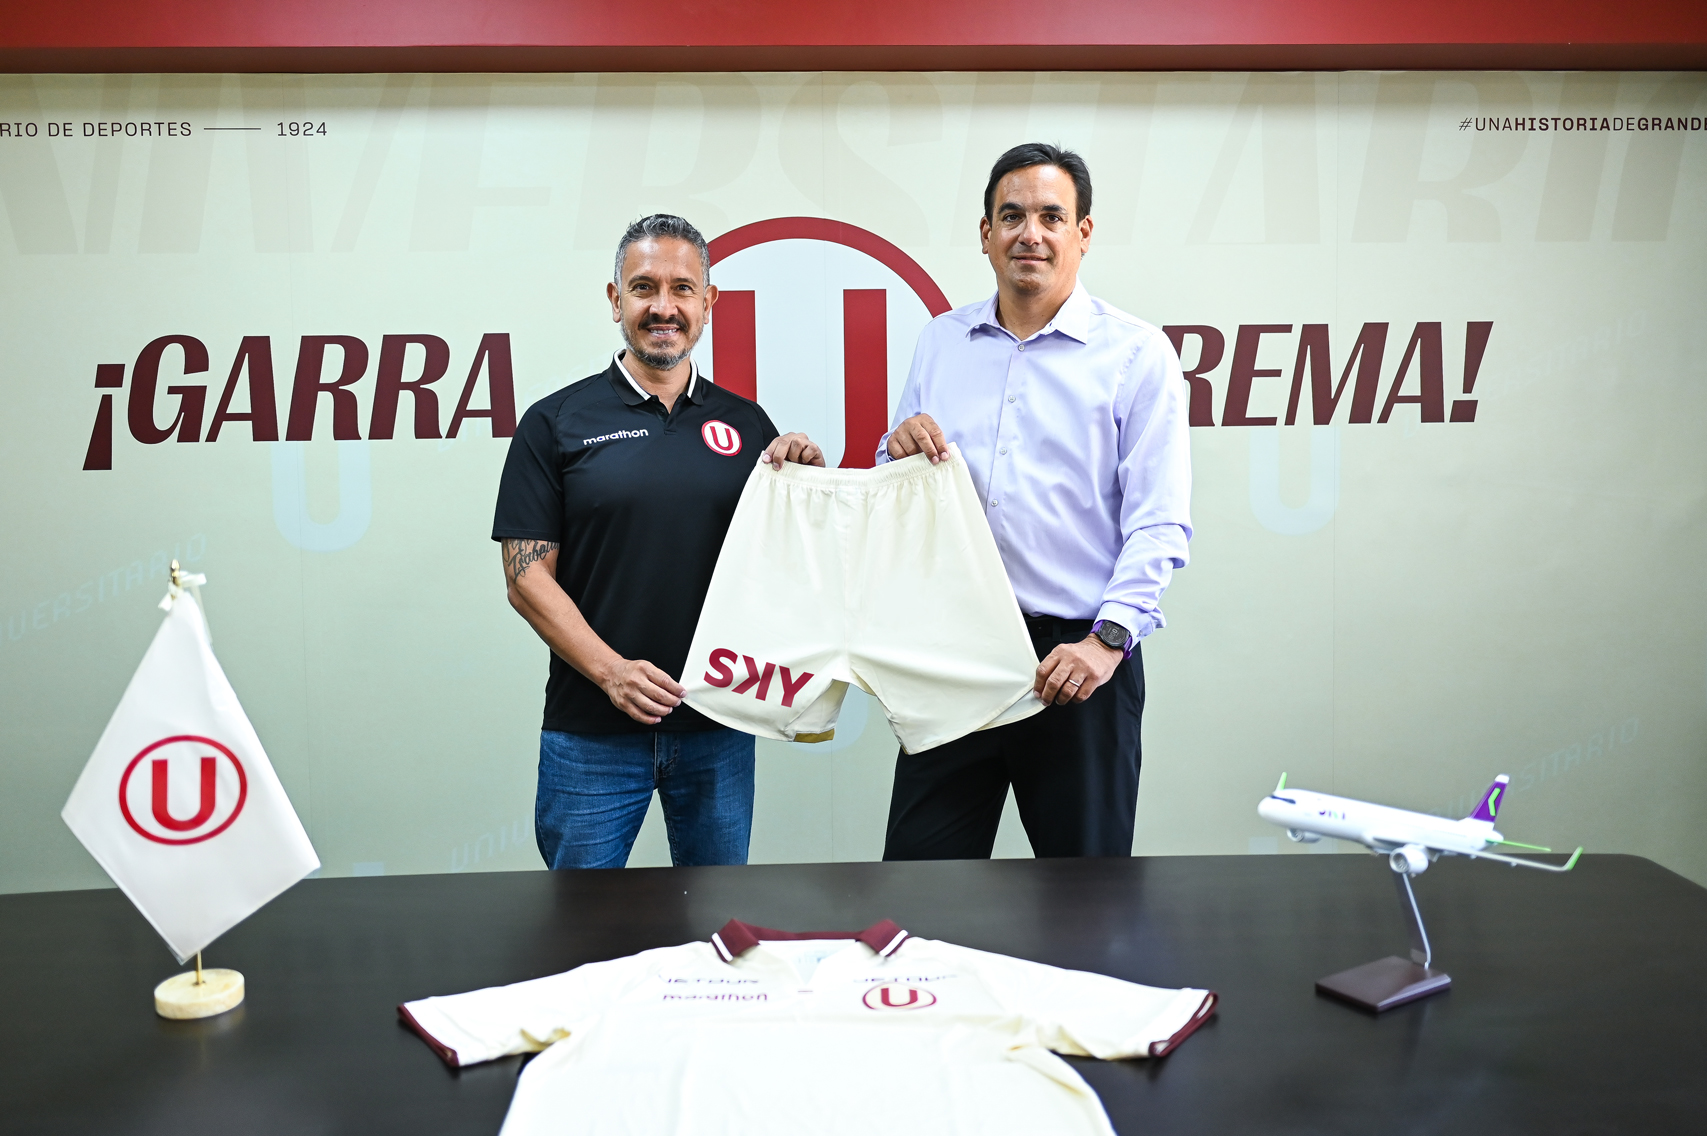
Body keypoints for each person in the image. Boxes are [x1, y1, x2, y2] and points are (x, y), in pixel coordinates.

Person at [878, 143, 1192, 860]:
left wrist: (1107, 642)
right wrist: (894, 451)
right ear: (985, 233)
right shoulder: (942, 341)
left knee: (1085, 896)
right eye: (1012, 215)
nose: (1031, 233)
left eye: (1052, 216)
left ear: (1083, 233)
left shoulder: (1136, 354)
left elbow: (1159, 521)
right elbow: (900, 488)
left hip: (1079, 662)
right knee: (922, 888)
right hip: (958, 658)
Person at [493, 214, 823, 869]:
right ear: (616, 300)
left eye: (682, 289)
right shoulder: (554, 422)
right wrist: (611, 673)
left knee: (714, 917)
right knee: (580, 918)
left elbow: (788, 567)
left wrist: (807, 485)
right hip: (591, 731)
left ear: (708, 302)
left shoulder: (748, 425)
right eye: (644, 288)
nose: (663, 307)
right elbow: (526, 579)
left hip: (718, 726)